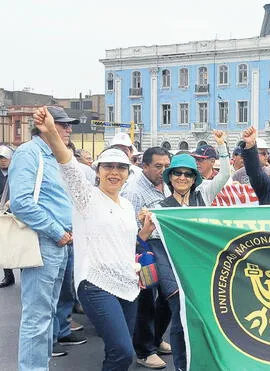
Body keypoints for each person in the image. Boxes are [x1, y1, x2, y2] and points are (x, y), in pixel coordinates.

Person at [33, 106, 150, 370]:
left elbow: (126, 243)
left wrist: (145, 232)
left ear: (128, 174)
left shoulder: (128, 206)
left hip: (129, 286)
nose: (114, 172)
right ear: (97, 170)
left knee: (121, 351)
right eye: (108, 166)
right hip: (96, 284)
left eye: (121, 167)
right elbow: (68, 165)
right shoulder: (86, 198)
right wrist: (52, 131)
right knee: (122, 351)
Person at [145, 131, 229, 371]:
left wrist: (221, 146)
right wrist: (144, 226)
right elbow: (148, 241)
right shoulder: (157, 208)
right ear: (170, 177)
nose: (182, 177)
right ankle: (181, 366)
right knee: (180, 316)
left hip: (199, 267)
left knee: (201, 317)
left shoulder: (204, 196)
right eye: (178, 173)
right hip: (169, 266)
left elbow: (225, 174)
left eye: (188, 174)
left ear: (194, 178)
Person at [9, 106, 77, 367]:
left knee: (47, 314)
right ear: (43, 125)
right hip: (44, 241)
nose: (68, 129)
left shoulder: (53, 156)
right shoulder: (30, 152)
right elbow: (22, 202)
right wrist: (57, 232)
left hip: (58, 243)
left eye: (68, 124)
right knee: (37, 316)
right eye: (62, 124)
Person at [121, 147, 173, 369]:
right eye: (158, 166)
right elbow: (128, 228)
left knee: (169, 296)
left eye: (166, 166)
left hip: (166, 246)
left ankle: (155, 337)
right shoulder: (133, 191)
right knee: (146, 298)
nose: (163, 171)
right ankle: (144, 350)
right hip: (144, 248)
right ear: (144, 166)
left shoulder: (167, 185)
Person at [0, 144, 15, 288]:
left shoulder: (17, 172)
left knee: (23, 244)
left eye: (5, 158)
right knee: (3, 245)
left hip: (17, 213)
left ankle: (25, 272)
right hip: (2, 213)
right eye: (0, 159)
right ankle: (8, 276)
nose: (2, 161)